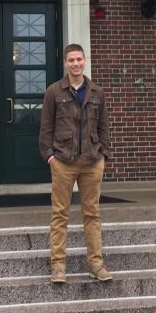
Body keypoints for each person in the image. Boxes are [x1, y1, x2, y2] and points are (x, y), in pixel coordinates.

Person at [39, 43, 112, 284]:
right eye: (71, 60)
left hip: (92, 161)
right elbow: (46, 128)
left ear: (85, 60)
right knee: (60, 214)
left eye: (79, 59)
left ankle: (96, 264)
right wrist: (49, 156)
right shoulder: (54, 92)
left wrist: (103, 153)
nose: (76, 64)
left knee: (93, 213)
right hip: (63, 162)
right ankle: (58, 266)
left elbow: (103, 126)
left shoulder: (96, 92)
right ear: (66, 63)